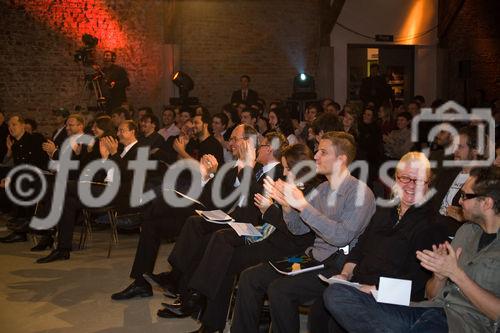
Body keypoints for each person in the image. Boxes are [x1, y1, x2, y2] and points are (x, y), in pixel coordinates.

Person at [230, 131, 376, 333]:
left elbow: (342, 236)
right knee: (250, 277)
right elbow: (298, 229)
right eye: (317, 151)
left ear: (341, 159)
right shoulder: (323, 189)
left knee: (279, 290)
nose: (316, 156)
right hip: (313, 259)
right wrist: (288, 207)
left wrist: (303, 205)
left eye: (323, 152)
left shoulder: (360, 193)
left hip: (337, 267)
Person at [326, 166, 500, 333]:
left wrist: (456, 275)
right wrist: (439, 277)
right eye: (404, 178)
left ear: (486, 203)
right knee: (336, 294)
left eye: (465, 196)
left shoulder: (433, 224)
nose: (460, 200)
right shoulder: (466, 232)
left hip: (464, 323)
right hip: (427, 310)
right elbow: (432, 295)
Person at [311, 152, 448, 332]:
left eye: (419, 180)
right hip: (359, 287)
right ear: (396, 179)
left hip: (394, 298)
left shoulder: (433, 224)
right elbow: (360, 248)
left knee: (334, 299)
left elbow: (418, 280)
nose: (411, 186)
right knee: (321, 308)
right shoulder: (384, 210)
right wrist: (345, 275)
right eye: (405, 178)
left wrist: (374, 290)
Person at [0, 115, 48, 243]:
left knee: (19, 185)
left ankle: (22, 224)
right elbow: (18, 166)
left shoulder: (35, 139)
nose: (11, 128)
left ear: (23, 125)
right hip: (26, 178)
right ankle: (20, 227)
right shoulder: (15, 145)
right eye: (9, 125)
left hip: (40, 178)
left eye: (14, 124)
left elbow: (39, 163)